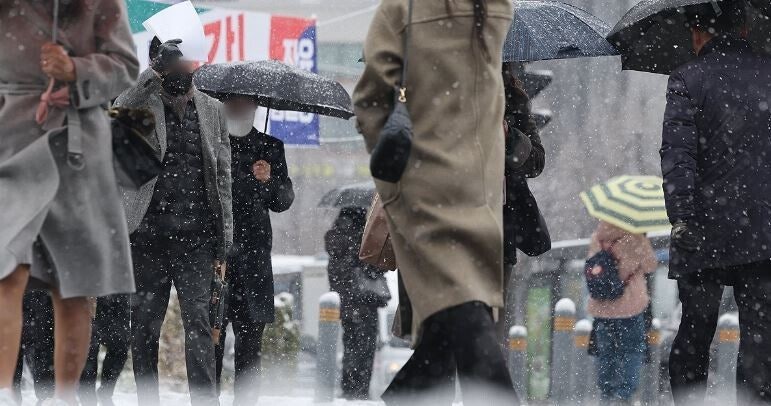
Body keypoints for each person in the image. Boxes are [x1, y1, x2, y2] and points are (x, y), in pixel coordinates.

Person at [353, 0, 517, 404]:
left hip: (428, 191)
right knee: (466, 313)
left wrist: (396, 178)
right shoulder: (497, 9)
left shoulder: (402, 10)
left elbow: (372, 101)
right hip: (477, 196)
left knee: (449, 330)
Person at [0, 1, 139, 404]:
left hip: (76, 143)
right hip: (9, 137)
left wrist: (77, 70)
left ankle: (66, 398)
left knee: (74, 283)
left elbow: (125, 65)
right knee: (7, 272)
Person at [661, 2, 771, 404]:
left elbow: (677, 157)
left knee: (695, 328)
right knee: (761, 335)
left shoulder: (687, 79)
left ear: (696, 33)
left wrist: (682, 219)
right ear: (745, 30)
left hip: (704, 228)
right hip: (764, 229)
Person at [114, 37, 233, 406]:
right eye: (174, 61)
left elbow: (222, 173)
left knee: (199, 322)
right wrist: (153, 73)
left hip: (196, 238)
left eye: (186, 60)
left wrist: (224, 236)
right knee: (144, 327)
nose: (183, 67)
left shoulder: (212, 109)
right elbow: (117, 111)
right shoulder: (142, 101)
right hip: (147, 236)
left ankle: (204, 400)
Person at [213, 95, 294, 405]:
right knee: (212, 340)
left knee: (250, 344)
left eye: (247, 105)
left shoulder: (270, 147)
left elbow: (283, 200)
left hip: (255, 259)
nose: (240, 110)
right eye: (234, 104)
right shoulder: (213, 142)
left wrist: (270, 180)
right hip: (218, 256)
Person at [586, 221, 656, 404]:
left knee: (606, 352)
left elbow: (592, 266)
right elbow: (650, 265)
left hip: (603, 307)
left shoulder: (598, 237)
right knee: (632, 350)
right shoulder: (636, 238)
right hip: (630, 307)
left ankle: (606, 394)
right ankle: (624, 395)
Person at [325, 207, 390, 400]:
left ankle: (349, 388)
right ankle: (360, 390)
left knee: (350, 346)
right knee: (365, 349)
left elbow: (337, 275)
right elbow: (373, 269)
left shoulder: (335, 239)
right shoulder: (363, 240)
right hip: (365, 304)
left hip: (345, 305)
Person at [78, 295, 131, 406]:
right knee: (89, 347)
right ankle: (87, 399)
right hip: (87, 286)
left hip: (118, 287)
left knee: (120, 345)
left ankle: (105, 393)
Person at [13, 292, 55, 405]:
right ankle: (9, 397)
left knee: (43, 343)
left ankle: (47, 397)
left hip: (41, 290)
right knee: (11, 348)